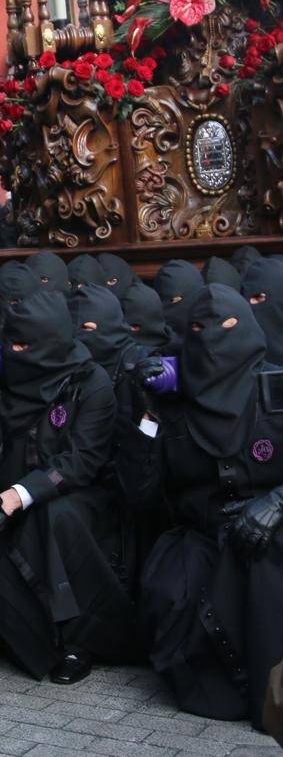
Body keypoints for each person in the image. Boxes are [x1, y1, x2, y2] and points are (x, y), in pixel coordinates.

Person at [121, 285, 283, 730]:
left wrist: (276, 502)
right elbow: (140, 494)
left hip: (268, 525)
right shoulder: (173, 404)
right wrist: (146, 418)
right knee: (174, 594)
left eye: (227, 327)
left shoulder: (275, 389)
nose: (213, 339)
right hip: (200, 531)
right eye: (199, 329)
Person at [0, 292, 133, 685]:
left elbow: (81, 461)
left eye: (27, 346)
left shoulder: (88, 381)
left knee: (54, 518)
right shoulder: (6, 376)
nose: (18, 352)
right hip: (8, 492)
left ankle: (79, 639)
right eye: (12, 344)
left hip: (77, 495)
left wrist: (20, 495)